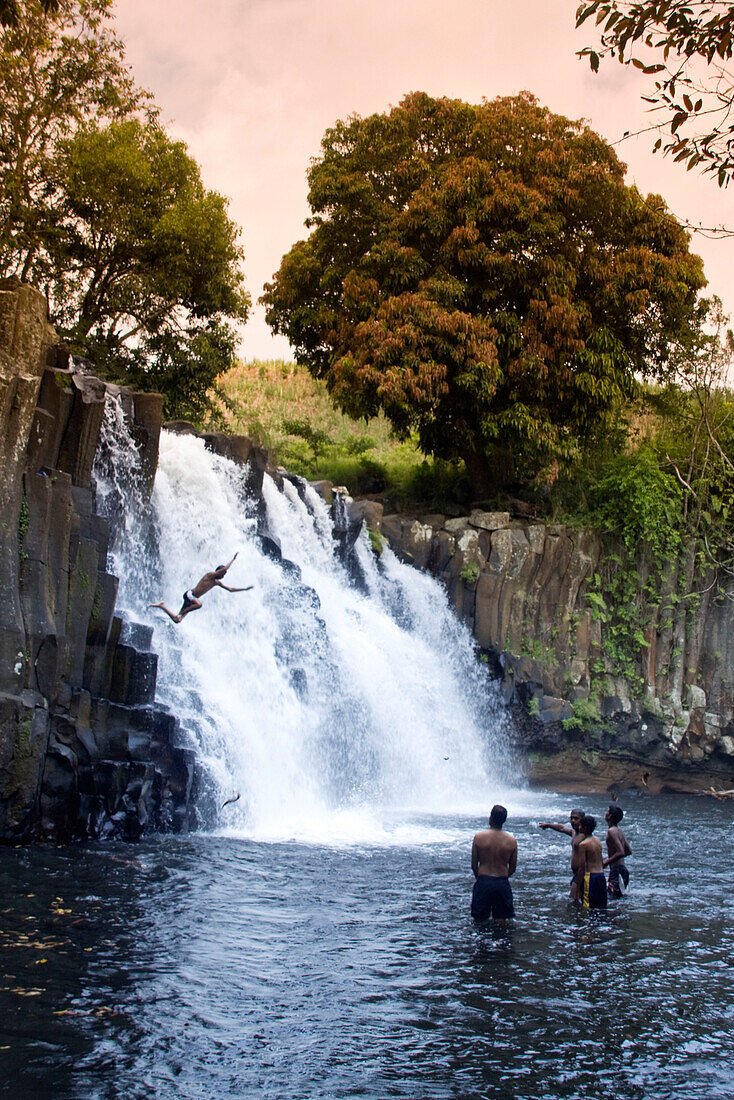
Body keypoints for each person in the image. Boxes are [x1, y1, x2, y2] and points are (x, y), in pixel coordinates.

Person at [149, 553, 252, 624]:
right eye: (222, 573)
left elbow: (230, 589)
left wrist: (244, 589)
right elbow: (224, 568)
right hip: (190, 594)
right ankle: (183, 612)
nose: (223, 575)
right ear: (218, 571)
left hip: (191, 600)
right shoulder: (210, 575)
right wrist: (233, 559)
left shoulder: (216, 582)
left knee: (177, 620)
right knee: (199, 604)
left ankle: (161, 606)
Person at [471, 804, 517, 921]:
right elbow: (512, 868)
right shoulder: (511, 840)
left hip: (483, 880)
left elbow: (474, 864)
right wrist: (503, 877)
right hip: (502, 882)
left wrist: (480, 877)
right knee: (501, 920)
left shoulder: (478, 837)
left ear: (490, 818)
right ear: (504, 820)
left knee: (479, 920)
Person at [539, 809, 585, 899]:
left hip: (581, 874)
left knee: (574, 900)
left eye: (576, 818)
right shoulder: (574, 833)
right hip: (577, 873)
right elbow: (562, 828)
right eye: (571, 818)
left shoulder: (584, 836)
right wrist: (548, 825)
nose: (573, 821)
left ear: (583, 820)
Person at [575, 815, 607, 910]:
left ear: (584, 828)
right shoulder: (598, 840)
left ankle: (588, 924)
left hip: (591, 877)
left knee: (588, 907)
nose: (579, 827)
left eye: (580, 825)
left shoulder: (583, 845)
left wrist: (577, 890)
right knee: (601, 906)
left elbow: (581, 868)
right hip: (601, 876)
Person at [604, 805, 632, 897]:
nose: (605, 813)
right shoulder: (619, 831)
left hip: (616, 871)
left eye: (607, 811)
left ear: (610, 816)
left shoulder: (611, 831)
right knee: (619, 899)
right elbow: (628, 851)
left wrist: (605, 862)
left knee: (613, 899)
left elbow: (621, 852)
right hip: (623, 870)